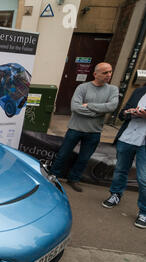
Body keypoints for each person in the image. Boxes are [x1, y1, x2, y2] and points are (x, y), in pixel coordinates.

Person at [50, 62, 119, 192]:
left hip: (94, 131)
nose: (108, 75)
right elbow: (75, 107)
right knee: (63, 154)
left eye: (110, 72)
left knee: (84, 158)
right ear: (95, 74)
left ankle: (74, 179)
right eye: (105, 72)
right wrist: (99, 112)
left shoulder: (112, 90)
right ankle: (53, 176)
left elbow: (112, 107)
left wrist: (89, 106)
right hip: (75, 128)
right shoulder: (82, 87)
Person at [101, 85, 146, 229]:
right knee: (120, 170)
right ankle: (115, 194)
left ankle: (144, 211)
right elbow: (121, 114)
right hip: (127, 138)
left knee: (143, 178)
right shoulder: (139, 91)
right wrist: (129, 112)